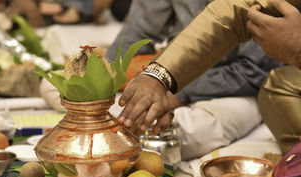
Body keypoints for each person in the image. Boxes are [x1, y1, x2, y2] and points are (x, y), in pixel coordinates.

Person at [117, 0, 301, 155]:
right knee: (121, 114)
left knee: (187, 132)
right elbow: (234, 11)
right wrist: (156, 78)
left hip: (237, 85)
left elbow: (252, 71)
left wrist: (179, 93)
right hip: (177, 71)